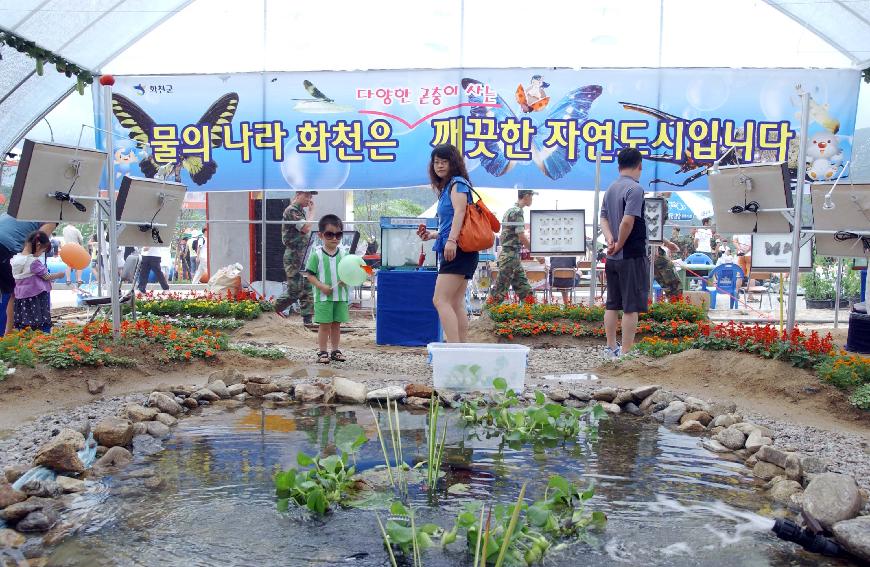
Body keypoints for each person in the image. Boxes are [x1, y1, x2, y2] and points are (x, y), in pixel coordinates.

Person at [417, 144, 478, 343]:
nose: (440, 166)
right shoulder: (448, 186)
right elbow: (450, 222)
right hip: (460, 248)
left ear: (454, 163)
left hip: (458, 249)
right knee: (454, 302)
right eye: (436, 162)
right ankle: (461, 347)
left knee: (440, 300)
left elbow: (460, 212)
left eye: (444, 161)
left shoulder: (457, 183)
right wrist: (432, 235)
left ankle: (453, 348)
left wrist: (451, 241)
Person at [600, 148, 648, 359]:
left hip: (612, 258)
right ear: (640, 165)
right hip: (630, 255)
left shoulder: (611, 188)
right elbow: (628, 221)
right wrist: (619, 244)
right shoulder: (635, 189)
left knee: (612, 303)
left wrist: (610, 240)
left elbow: (603, 218)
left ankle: (611, 347)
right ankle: (627, 351)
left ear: (618, 166)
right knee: (631, 306)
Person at [0, 214, 56, 335]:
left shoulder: (22, 207)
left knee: (7, 293)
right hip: (7, 247)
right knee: (14, 294)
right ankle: (9, 336)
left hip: (4, 245)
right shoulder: (53, 217)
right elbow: (38, 243)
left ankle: (6, 337)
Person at [305, 214, 350, 363]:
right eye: (330, 234)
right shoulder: (316, 255)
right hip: (323, 297)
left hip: (340, 296)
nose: (334, 238)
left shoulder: (344, 254)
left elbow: (353, 270)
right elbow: (309, 275)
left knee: (336, 325)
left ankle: (335, 350)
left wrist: (347, 279)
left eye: (338, 234)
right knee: (325, 325)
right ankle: (322, 352)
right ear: (321, 235)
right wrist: (321, 286)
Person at [274, 191, 317, 325]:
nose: (309, 199)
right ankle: (269, 310)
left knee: (306, 287)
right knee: (294, 290)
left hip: (302, 254)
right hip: (293, 256)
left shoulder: (299, 211)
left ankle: (308, 320)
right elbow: (305, 228)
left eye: (310, 196)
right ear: (298, 195)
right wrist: (312, 212)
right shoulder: (291, 210)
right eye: (307, 196)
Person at [11, 231, 64, 333]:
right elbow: (46, 276)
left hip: (21, 298)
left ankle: (25, 340)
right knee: (37, 323)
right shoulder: (33, 262)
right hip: (35, 298)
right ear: (38, 245)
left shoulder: (16, 260)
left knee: (25, 323)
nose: (41, 254)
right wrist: (59, 275)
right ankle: (37, 341)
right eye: (43, 251)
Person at [491, 190, 536, 303]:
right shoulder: (518, 212)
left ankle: (532, 316)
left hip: (510, 256)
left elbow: (503, 235)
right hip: (510, 257)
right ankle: (486, 316)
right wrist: (534, 252)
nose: (532, 199)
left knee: (525, 290)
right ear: (526, 196)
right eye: (531, 196)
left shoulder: (509, 211)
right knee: (499, 291)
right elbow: (521, 236)